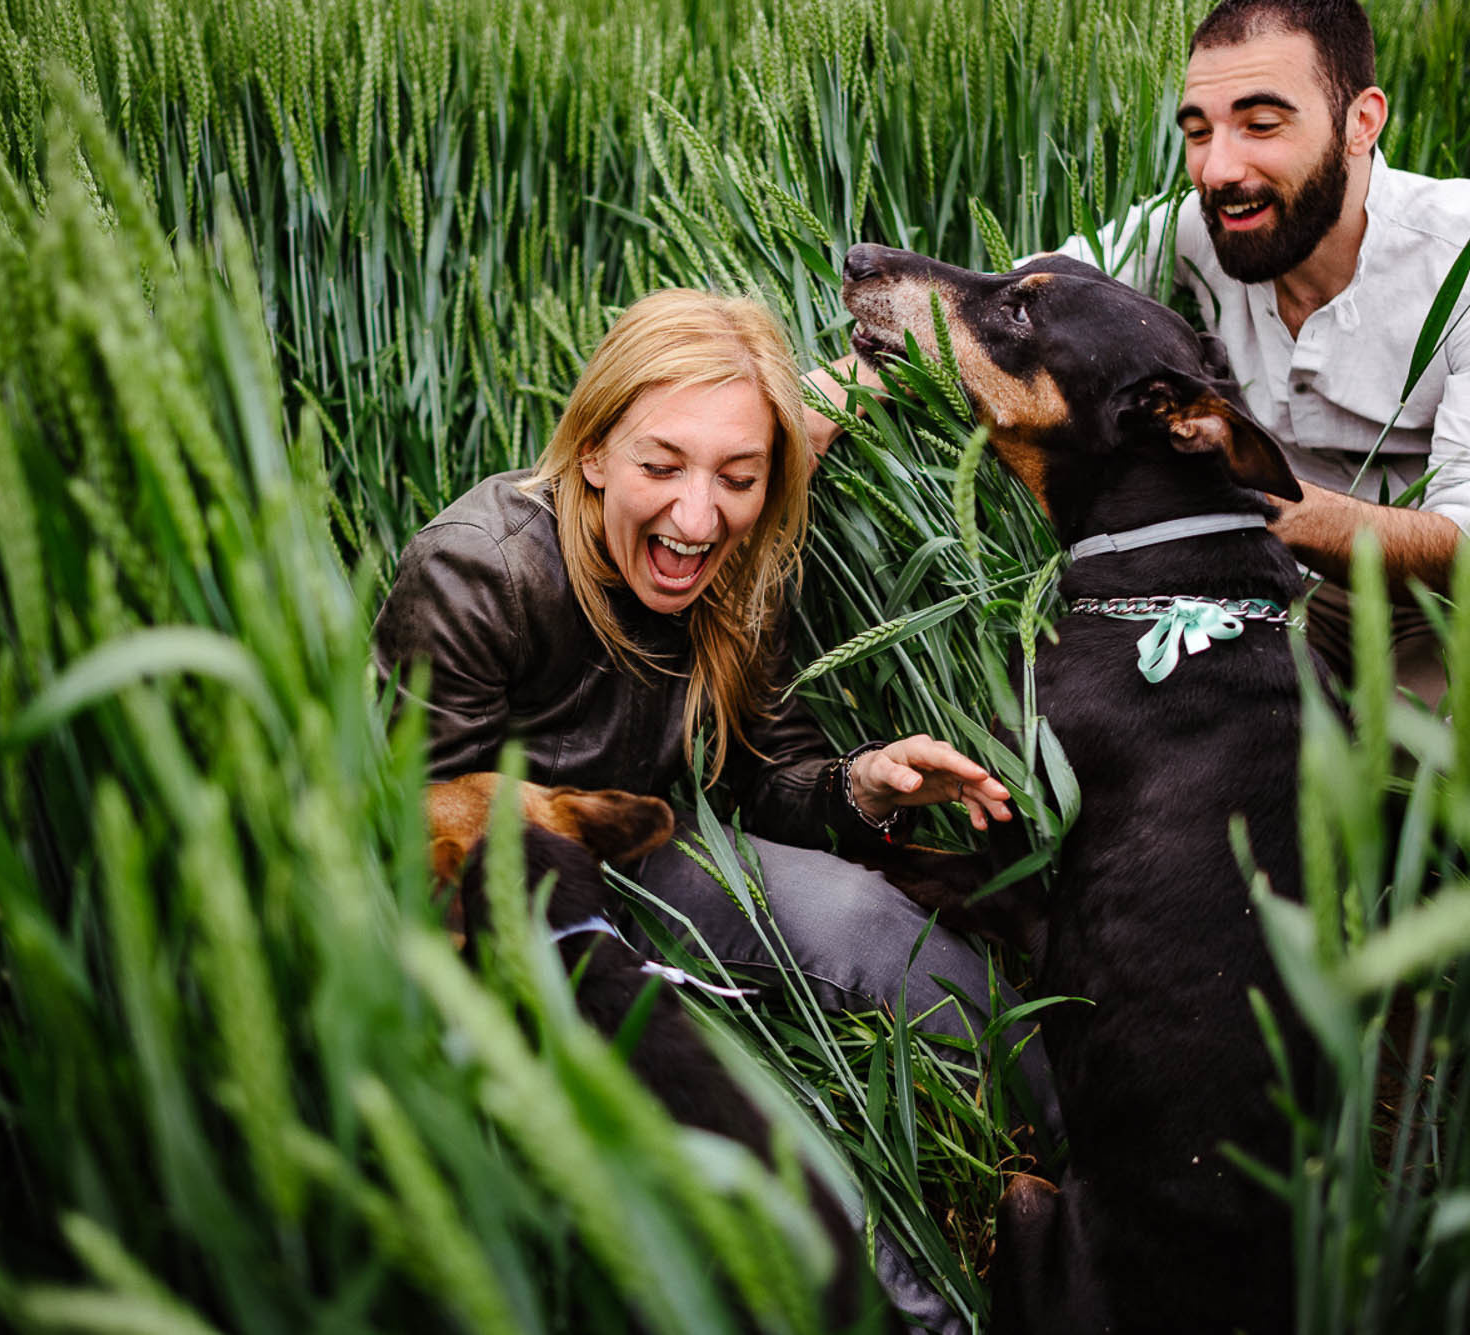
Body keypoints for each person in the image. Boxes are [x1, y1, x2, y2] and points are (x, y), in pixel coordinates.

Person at [373, 287, 1052, 1333]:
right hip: (514, 909)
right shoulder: (476, 571)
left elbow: (763, 777)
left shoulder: (737, 557)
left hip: (651, 852)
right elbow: (421, 836)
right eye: (661, 466)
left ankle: (1096, 1134)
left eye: (739, 477)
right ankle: (906, 1313)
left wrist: (861, 781)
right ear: (592, 451)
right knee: (738, 1106)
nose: (699, 519)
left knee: (871, 925)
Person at [807, 0, 1470, 706]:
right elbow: (1023, 302)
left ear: (1360, 122)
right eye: (1199, 130)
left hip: (1453, 610)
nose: (1218, 170)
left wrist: (1240, 498)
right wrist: (840, 391)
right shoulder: (1208, 226)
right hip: (1272, 597)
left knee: (1392, 809)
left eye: (1262, 124)